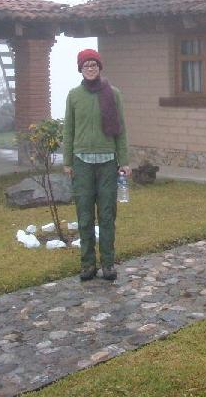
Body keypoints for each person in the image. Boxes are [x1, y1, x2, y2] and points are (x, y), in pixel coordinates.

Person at [63, 49, 130, 281]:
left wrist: (125, 161)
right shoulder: (73, 96)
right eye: (86, 66)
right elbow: (68, 130)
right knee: (84, 216)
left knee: (107, 215)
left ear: (100, 68)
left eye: (94, 65)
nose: (90, 69)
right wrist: (67, 161)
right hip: (81, 163)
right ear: (80, 69)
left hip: (108, 163)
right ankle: (88, 264)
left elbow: (120, 130)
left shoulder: (114, 94)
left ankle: (108, 264)